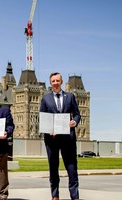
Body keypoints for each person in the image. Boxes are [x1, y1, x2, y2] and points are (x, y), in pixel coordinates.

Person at [40, 72, 81, 200]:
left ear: (61, 82)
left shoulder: (70, 97)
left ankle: (74, 196)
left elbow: (77, 114)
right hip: (52, 139)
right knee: (53, 168)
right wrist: (48, 129)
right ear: (50, 83)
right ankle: (55, 195)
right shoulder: (45, 99)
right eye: (53, 81)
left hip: (68, 139)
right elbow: (42, 117)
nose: (56, 83)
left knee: (72, 168)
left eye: (58, 81)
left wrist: (74, 121)